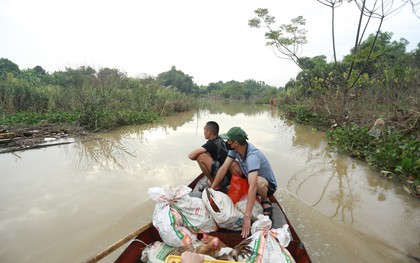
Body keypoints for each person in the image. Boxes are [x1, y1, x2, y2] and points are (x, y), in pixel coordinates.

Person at [210, 127, 277, 238]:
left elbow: (253, 186)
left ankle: (265, 199)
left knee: (257, 182)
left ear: (235, 143)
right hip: (249, 177)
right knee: (232, 165)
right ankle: (243, 189)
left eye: (229, 140)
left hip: (265, 185)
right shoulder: (234, 149)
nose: (227, 142)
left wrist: (247, 217)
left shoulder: (253, 156)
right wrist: (212, 189)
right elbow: (224, 168)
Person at [188, 121, 231, 191]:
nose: (203, 132)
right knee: (206, 153)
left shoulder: (211, 144)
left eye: (204, 130)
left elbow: (191, 156)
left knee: (200, 157)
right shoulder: (219, 139)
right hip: (227, 175)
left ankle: (215, 184)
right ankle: (213, 180)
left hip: (225, 179)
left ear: (209, 131)